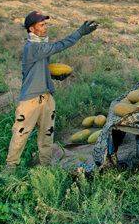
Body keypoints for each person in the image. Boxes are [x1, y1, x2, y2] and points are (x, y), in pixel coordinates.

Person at [5, 11, 98, 171]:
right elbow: (58, 46)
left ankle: (45, 167)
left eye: (45, 24)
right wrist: (79, 33)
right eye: (41, 25)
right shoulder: (32, 46)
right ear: (31, 29)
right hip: (31, 99)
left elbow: (38, 69)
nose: (45, 28)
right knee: (20, 134)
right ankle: (10, 168)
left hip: (46, 96)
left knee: (46, 135)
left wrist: (52, 77)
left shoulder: (40, 45)